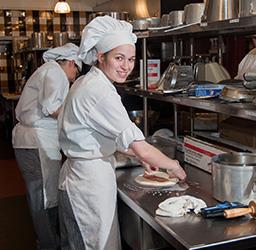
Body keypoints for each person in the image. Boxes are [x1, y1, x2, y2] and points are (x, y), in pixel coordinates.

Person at [57, 16, 186, 250]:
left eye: (131, 59)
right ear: (101, 56)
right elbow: (140, 144)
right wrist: (174, 165)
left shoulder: (88, 82)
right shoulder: (99, 91)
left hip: (79, 178)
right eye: (119, 58)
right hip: (87, 185)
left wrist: (138, 157)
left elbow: (98, 134)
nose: (126, 66)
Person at [12, 43, 82, 250]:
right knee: (44, 197)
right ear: (70, 62)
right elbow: (52, 107)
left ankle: (45, 241)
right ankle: (49, 245)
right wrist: (79, 121)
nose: (74, 77)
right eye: (76, 71)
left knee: (42, 196)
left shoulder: (48, 71)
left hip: (34, 141)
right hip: (36, 142)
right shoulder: (54, 72)